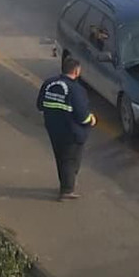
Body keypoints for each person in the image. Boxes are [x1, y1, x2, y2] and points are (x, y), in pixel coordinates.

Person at [36, 55, 96, 201]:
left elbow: (39, 105)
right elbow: (82, 115)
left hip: (53, 128)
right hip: (72, 131)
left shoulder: (49, 83)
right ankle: (67, 189)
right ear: (76, 71)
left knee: (61, 157)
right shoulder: (76, 89)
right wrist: (91, 120)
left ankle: (66, 183)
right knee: (70, 159)